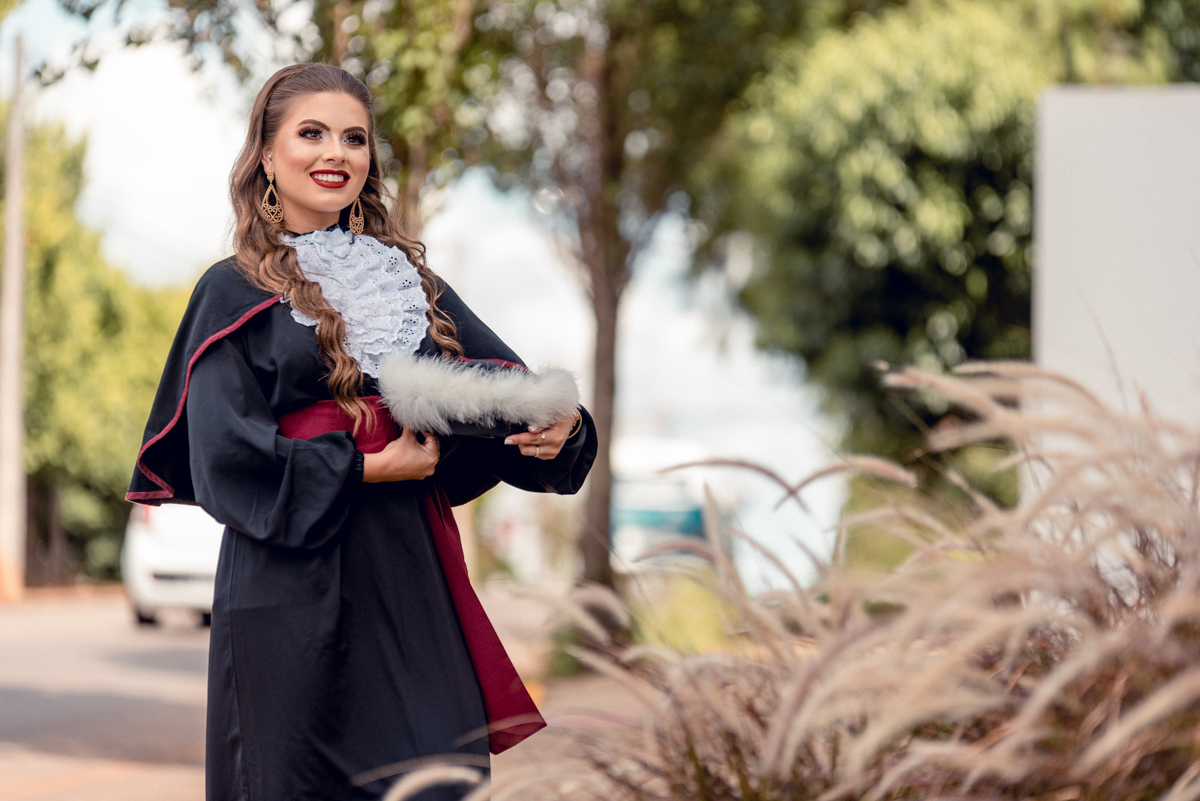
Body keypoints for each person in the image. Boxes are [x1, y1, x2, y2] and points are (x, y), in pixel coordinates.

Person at [127, 63, 597, 801]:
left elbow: (504, 390)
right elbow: (224, 455)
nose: (336, 152)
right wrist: (363, 466)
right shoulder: (231, 288)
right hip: (288, 588)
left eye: (355, 137)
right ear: (268, 157)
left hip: (410, 583)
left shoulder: (412, 285)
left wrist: (562, 427)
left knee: (435, 781)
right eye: (311, 133)